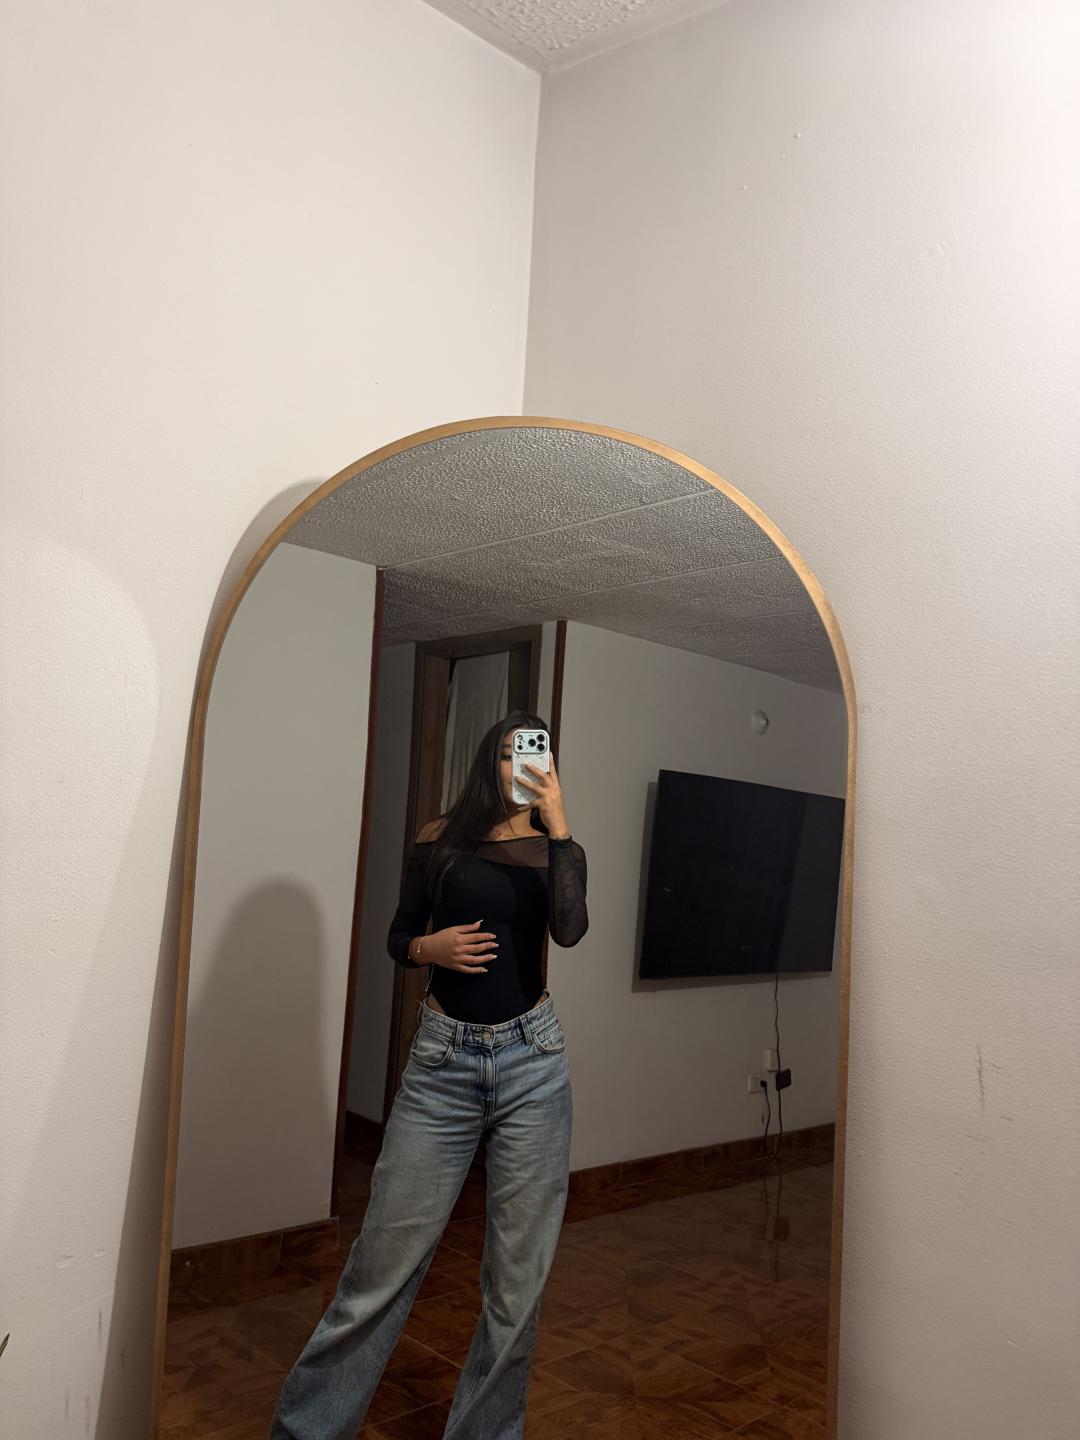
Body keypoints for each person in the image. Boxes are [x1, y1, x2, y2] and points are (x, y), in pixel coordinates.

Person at [268, 710, 588, 1440]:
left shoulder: (558, 848)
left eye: (533, 755)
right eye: (507, 753)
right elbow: (397, 934)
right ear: (488, 761)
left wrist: (560, 827)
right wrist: (428, 949)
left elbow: (569, 930)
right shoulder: (438, 837)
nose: (519, 766)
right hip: (443, 1062)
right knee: (379, 1270)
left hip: (533, 1064)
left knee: (516, 1290)